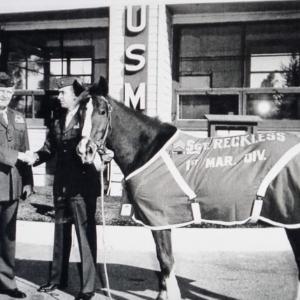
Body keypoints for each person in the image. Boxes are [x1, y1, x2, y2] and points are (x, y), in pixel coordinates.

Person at [29, 77, 100, 300]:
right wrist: (34, 157)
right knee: (61, 233)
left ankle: (87, 287)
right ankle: (57, 279)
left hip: (82, 186)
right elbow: (49, 148)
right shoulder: (58, 118)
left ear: (75, 96)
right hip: (61, 185)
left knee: (85, 235)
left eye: (62, 93)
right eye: (58, 93)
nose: (58, 97)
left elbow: (97, 144)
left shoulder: (88, 118)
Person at [0, 72, 33, 298]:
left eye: (9, 91)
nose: (5, 95)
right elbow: (18, 154)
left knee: (8, 238)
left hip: (11, 185)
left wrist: (28, 181)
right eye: (1, 91)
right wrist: (19, 156)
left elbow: (26, 149)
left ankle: (7, 282)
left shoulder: (18, 117)